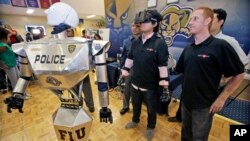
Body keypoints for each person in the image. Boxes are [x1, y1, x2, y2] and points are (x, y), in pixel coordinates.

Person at [176, 7, 244, 141]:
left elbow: (239, 74)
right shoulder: (188, 49)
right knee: (185, 135)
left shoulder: (220, 46)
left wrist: (222, 97)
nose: (190, 22)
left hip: (204, 106)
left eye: (195, 18)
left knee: (199, 138)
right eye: (190, 19)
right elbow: (186, 74)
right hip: (185, 102)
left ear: (207, 21)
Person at [121, 10, 169, 140]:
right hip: (135, 82)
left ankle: (151, 126)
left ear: (154, 23)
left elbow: (162, 65)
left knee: (151, 109)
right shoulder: (136, 42)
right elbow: (130, 57)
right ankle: (135, 120)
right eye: (140, 22)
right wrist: (125, 69)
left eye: (144, 22)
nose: (140, 24)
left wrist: (164, 82)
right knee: (135, 105)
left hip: (150, 86)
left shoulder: (159, 43)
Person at [0, 27, 31, 99]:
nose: (9, 37)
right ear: (3, 37)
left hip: (13, 64)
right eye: (8, 36)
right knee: (15, 82)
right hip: (9, 66)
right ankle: (18, 96)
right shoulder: (2, 46)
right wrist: (2, 64)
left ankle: (23, 93)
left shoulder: (4, 44)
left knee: (20, 80)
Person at [119, 21, 141, 115]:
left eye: (137, 26)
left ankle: (137, 109)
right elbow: (123, 56)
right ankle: (126, 106)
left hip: (142, 70)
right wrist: (122, 68)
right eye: (133, 25)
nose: (135, 28)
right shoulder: (127, 41)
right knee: (127, 89)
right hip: (129, 69)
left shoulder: (146, 40)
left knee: (139, 91)